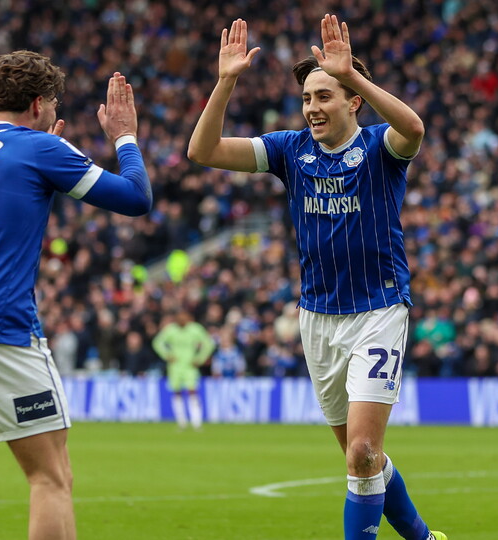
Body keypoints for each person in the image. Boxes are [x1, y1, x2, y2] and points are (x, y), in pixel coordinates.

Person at [188, 15, 445, 540]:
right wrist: (226, 81)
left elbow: (415, 128)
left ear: (352, 100)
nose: (312, 108)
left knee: (363, 451)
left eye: (324, 95)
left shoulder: (380, 148)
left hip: (378, 310)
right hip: (318, 319)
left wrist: (353, 75)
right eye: (307, 98)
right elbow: (203, 152)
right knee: (361, 459)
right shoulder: (291, 150)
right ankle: (421, 537)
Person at [0, 50, 151, 540]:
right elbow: (135, 198)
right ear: (39, 104)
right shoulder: (40, 150)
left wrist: (45, 164)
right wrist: (124, 136)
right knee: (50, 476)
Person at [152, 308, 216, 430]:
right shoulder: (171, 330)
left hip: (189, 366)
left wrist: (200, 358)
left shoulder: (195, 329)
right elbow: (157, 342)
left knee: (192, 392)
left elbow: (208, 343)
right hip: (175, 366)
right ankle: (181, 422)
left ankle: (196, 422)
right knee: (176, 393)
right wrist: (167, 355)